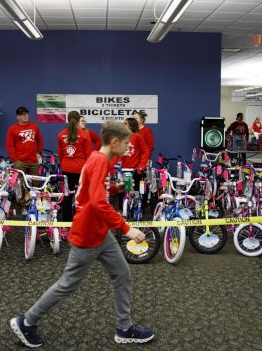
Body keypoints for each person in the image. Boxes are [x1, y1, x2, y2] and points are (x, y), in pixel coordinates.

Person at [10, 120, 155, 348]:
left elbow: (92, 192)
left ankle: (124, 328)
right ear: (114, 142)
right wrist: (126, 228)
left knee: (122, 274)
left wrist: (115, 188)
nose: (128, 148)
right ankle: (27, 321)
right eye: (126, 143)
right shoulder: (99, 161)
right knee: (67, 284)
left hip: (101, 233)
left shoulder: (102, 160)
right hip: (87, 234)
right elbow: (97, 202)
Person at [6, 106, 43, 212]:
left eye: (26, 114)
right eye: (22, 114)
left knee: (36, 184)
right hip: (20, 162)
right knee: (21, 185)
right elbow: (9, 146)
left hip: (33, 162)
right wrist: (15, 159)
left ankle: (36, 205)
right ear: (18, 116)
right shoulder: (12, 129)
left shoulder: (34, 126)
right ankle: (23, 206)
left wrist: (38, 152)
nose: (25, 116)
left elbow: (40, 140)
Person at [57, 111, 92, 222]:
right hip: (80, 169)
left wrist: (65, 165)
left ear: (68, 119)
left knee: (67, 195)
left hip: (66, 169)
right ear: (78, 120)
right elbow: (89, 155)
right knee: (82, 196)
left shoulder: (61, 134)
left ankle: (67, 222)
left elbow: (60, 154)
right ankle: (81, 220)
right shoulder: (84, 134)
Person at [122, 118, 149, 190]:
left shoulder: (137, 136)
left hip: (133, 170)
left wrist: (141, 167)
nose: (123, 125)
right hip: (122, 169)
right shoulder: (121, 137)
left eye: (125, 124)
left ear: (130, 126)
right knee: (122, 192)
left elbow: (145, 151)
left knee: (135, 191)